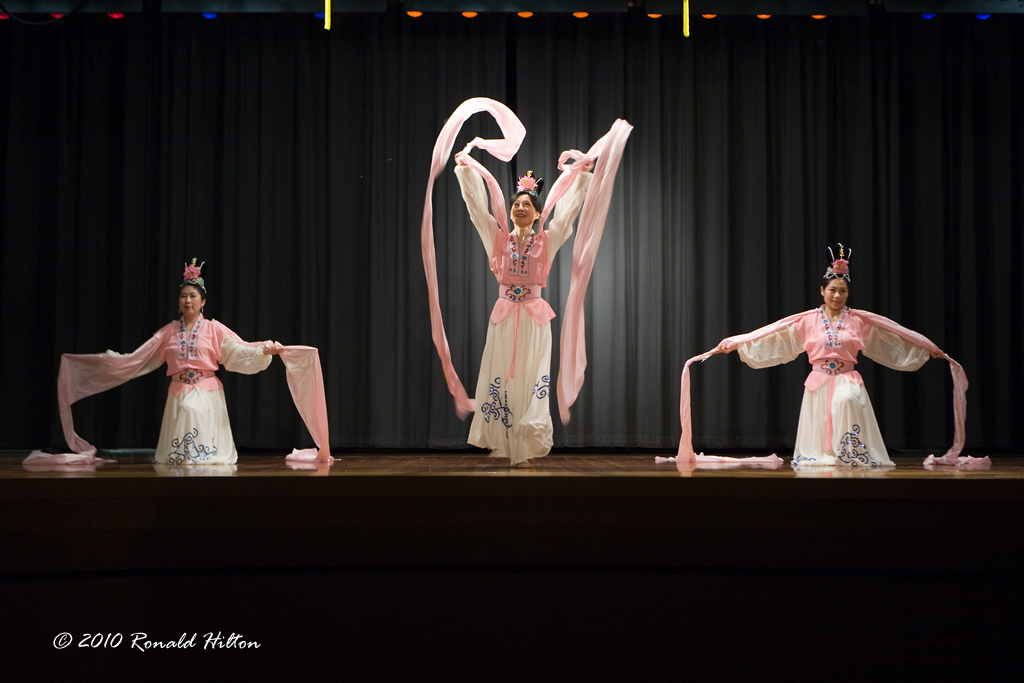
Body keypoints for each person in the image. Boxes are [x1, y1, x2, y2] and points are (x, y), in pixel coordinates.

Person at [677, 245, 969, 467]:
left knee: (846, 400)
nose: (837, 296)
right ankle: (824, 455)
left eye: (843, 291)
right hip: (818, 381)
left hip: (847, 379)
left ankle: (850, 455)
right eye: (832, 290)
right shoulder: (806, 321)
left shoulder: (860, 321)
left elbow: (892, 338)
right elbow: (773, 336)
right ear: (822, 290)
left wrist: (925, 348)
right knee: (821, 443)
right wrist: (739, 344)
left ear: (848, 293)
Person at [29, 260, 334, 466]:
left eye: (193, 297)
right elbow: (139, 358)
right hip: (179, 392)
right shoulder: (168, 333)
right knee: (180, 454)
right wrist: (109, 362)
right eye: (183, 296)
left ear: (202, 302)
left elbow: (238, 350)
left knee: (202, 448)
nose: (187, 301)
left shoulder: (214, 329)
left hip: (206, 392)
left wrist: (264, 350)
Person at [454, 158, 591, 467]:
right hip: (503, 318)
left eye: (527, 204)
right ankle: (505, 443)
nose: (519, 208)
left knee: (532, 378)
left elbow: (567, 214)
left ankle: (525, 445)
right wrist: (465, 171)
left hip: (534, 318)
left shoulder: (547, 240)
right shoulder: (498, 237)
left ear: (538, 212)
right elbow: (478, 210)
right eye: (516, 204)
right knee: (502, 377)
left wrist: (581, 179)